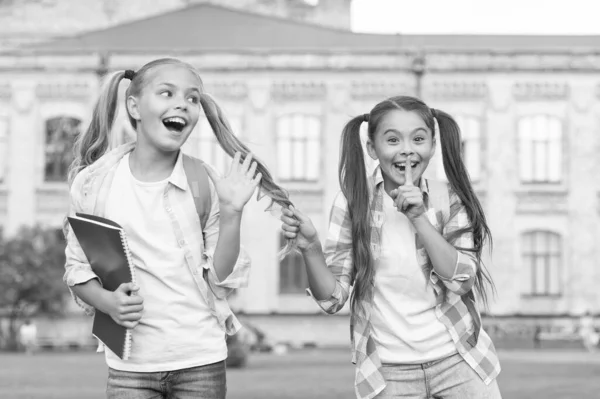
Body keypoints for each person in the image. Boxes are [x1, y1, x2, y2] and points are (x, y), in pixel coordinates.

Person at [63, 58, 292, 399]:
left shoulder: (206, 182)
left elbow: (220, 279)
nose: (182, 104)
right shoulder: (94, 184)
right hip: (130, 369)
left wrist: (232, 213)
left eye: (193, 98)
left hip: (201, 363)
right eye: (167, 93)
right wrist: (108, 303)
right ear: (134, 106)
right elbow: (77, 270)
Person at [281, 96, 502, 398]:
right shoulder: (352, 203)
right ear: (373, 149)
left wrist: (419, 219)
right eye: (393, 140)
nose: (407, 149)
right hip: (389, 372)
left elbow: (461, 280)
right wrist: (310, 248)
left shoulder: (448, 199)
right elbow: (332, 300)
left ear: (432, 146)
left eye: (419, 139)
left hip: (459, 361)